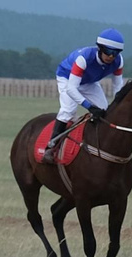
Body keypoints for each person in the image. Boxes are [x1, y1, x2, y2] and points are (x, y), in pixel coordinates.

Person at [46, 30, 126, 161]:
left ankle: (97, 142)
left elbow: (118, 88)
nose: (111, 56)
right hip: (67, 78)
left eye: (116, 53)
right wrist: (89, 106)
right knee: (68, 110)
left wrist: (119, 107)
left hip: (88, 82)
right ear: (100, 48)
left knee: (104, 109)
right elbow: (71, 89)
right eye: (108, 51)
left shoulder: (118, 62)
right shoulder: (84, 58)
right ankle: (51, 146)